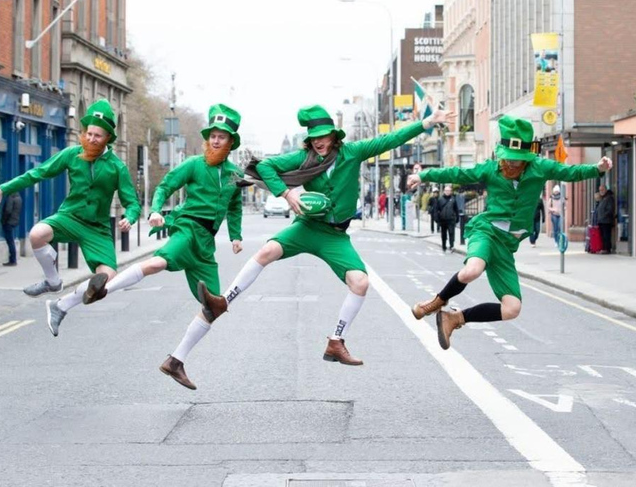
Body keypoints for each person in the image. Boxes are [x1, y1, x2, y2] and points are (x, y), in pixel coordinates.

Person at [180, 104, 452, 389]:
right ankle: (223, 301)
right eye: (314, 137)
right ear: (309, 139)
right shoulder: (304, 158)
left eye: (324, 136)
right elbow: (266, 166)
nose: (319, 141)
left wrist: (427, 123)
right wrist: (286, 194)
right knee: (266, 251)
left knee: (360, 282)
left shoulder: (353, 153)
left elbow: (390, 140)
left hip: (335, 235)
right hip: (308, 227)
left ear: (335, 137)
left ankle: (336, 341)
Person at [57, 104, 244, 389]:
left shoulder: (233, 174)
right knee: (158, 262)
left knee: (215, 306)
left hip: (206, 244)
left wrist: (235, 236)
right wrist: (156, 209)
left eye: (222, 137)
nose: (216, 141)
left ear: (231, 142)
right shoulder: (194, 164)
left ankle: (175, 361)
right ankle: (105, 288)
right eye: (213, 136)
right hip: (188, 227)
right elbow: (165, 186)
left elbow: (235, 206)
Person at [407, 115, 611, 350]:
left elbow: (570, 172)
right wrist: (422, 175)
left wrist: (598, 168)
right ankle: (437, 302)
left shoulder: (540, 168)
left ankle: (455, 318)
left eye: (518, 161)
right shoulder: (490, 170)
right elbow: (456, 174)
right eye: (509, 160)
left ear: (527, 159)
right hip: (487, 231)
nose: (512, 165)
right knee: (472, 270)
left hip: (506, 246)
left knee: (512, 308)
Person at [0, 99, 141, 335]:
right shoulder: (72, 154)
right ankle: (52, 280)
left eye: (97, 136)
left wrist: (129, 217)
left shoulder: (117, 167)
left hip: (97, 228)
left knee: (106, 279)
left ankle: (60, 306)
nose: (91, 139)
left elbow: (132, 202)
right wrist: (2, 189)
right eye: (88, 133)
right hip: (70, 216)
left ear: (108, 138)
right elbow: (37, 173)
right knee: (37, 234)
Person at [1, 191, 22, 266]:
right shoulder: (18, 197)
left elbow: (8, 210)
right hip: (14, 221)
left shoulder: (11, 197)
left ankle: (12, 260)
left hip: (9, 222)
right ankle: (13, 259)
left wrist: (3, 220)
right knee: (11, 241)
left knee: (10, 241)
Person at [436, 185, 458, 252]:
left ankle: (451, 246)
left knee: (451, 233)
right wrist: (437, 220)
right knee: (444, 234)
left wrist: (457, 218)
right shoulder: (440, 199)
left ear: (451, 191)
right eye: (446, 191)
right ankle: (444, 246)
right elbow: (437, 210)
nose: (447, 192)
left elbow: (456, 209)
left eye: (449, 191)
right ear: (444, 191)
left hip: (451, 219)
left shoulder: (453, 199)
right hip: (443, 220)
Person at [595, 184, 616, 254]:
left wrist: (604, 216)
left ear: (606, 189)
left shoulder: (609, 198)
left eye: (602, 190)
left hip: (606, 221)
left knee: (606, 235)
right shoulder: (602, 198)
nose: (601, 191)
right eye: (600, 190)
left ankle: (607, 248)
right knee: (602, 236)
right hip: (601, 220)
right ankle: (604, 248)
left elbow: (610, 210)